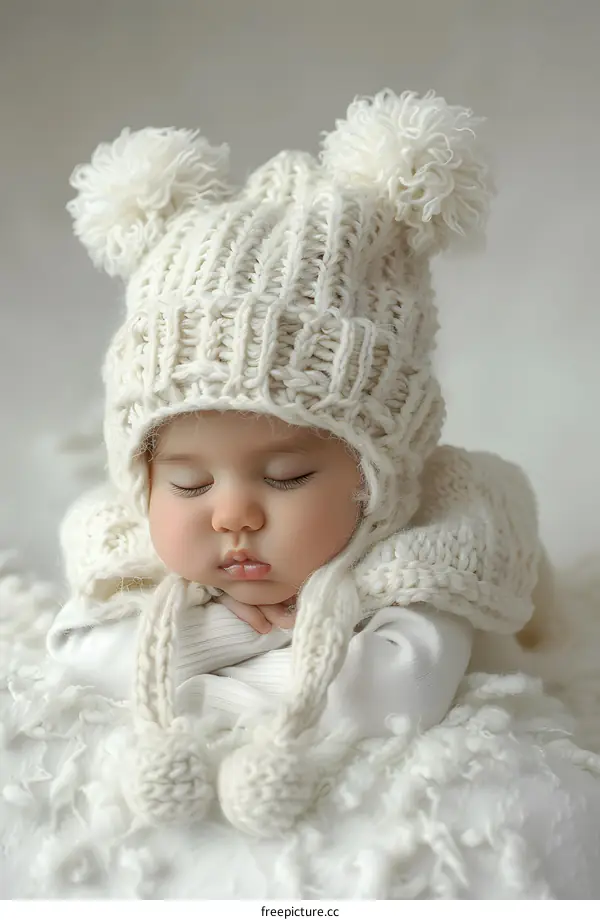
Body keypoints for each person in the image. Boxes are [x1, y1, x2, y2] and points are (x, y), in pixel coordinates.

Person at [48, 89, 556, 844]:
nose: (232, 514)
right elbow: (78, 655)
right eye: (188, 482)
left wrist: (203, 665)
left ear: (374, 479)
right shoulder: (124, 536)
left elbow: (392, 694)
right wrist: (242, 629)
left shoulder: (437, 540)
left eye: (285, 477)